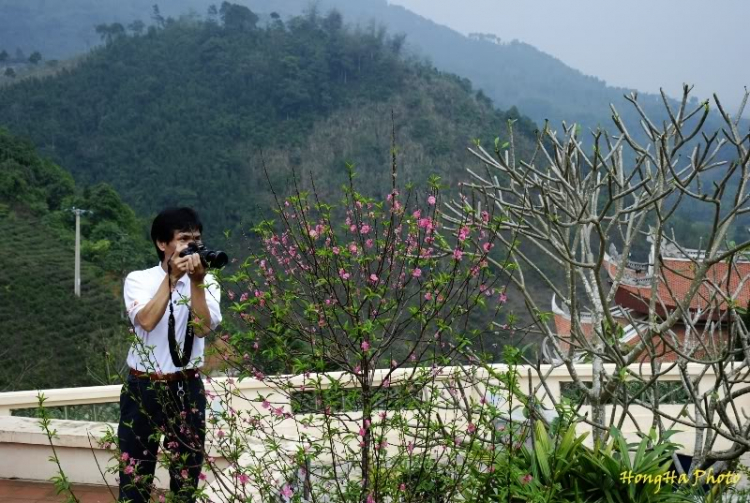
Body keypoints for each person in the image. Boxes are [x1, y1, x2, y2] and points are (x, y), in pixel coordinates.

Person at [118, 207, 222, 503]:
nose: (193, 246)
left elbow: (202, 328)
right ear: (162, 244)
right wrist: (172, 280)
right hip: (144, 387)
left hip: (187, 386)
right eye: (184, 239)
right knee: (135, 477)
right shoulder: (138, 280)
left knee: (186, 479)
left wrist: (197, 283)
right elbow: (147, 321)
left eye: (197, 239)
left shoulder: (208, 282)